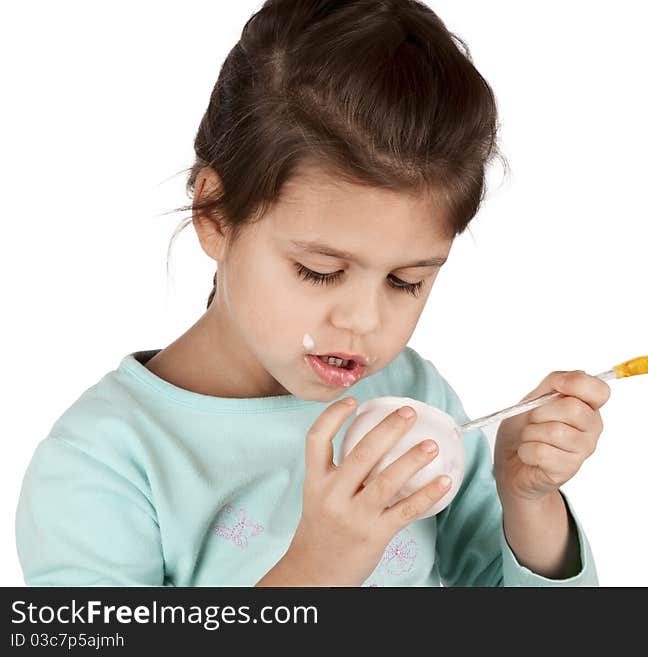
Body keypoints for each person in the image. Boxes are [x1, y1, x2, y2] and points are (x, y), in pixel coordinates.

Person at [15, 0, 610, 587]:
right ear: (215, 216)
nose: (363, 320)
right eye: (320, 271)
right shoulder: (103, 464)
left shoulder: (413, 399)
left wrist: (526, 501)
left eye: (407, 282)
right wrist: (315, 573)